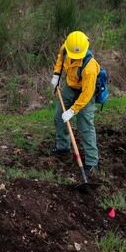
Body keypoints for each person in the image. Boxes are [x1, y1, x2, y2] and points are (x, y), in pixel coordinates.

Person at [50, 31, 100, 174]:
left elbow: (87, 94)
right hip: (70, 88)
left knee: (85, 126)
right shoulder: (66, 48)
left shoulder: (90, 68)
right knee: (58, 116)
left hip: (85, 94)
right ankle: (63, 145)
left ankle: (92, 162)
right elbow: (60, 58)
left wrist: (73, 111)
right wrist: (56, 74)